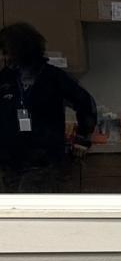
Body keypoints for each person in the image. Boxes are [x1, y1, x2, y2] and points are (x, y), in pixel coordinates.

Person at [0, 22, 96, 193]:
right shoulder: (5, 79)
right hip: (10, 164)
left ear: (21, 50)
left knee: (32, 205)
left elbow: (86, 103)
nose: (4, 57)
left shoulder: (53, 77)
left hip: (45, 162)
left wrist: (82, 138)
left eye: (7, 52)